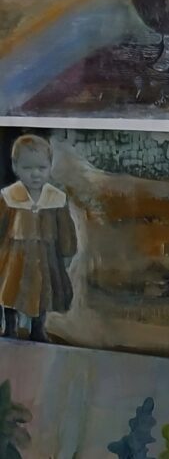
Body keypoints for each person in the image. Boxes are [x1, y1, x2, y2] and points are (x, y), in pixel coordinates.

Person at [0, 134, 77, 342]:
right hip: (14, 257)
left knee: (43, 292)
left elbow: (65, 228)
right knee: (10, 290)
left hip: (45, 257)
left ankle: (37, 328)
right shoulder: (8, 197)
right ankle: (10, 326)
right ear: (15, 167)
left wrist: (67, 249)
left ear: (50, 166)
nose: (35, 174)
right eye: (27, 168)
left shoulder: (56, 198)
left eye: (41, 168)